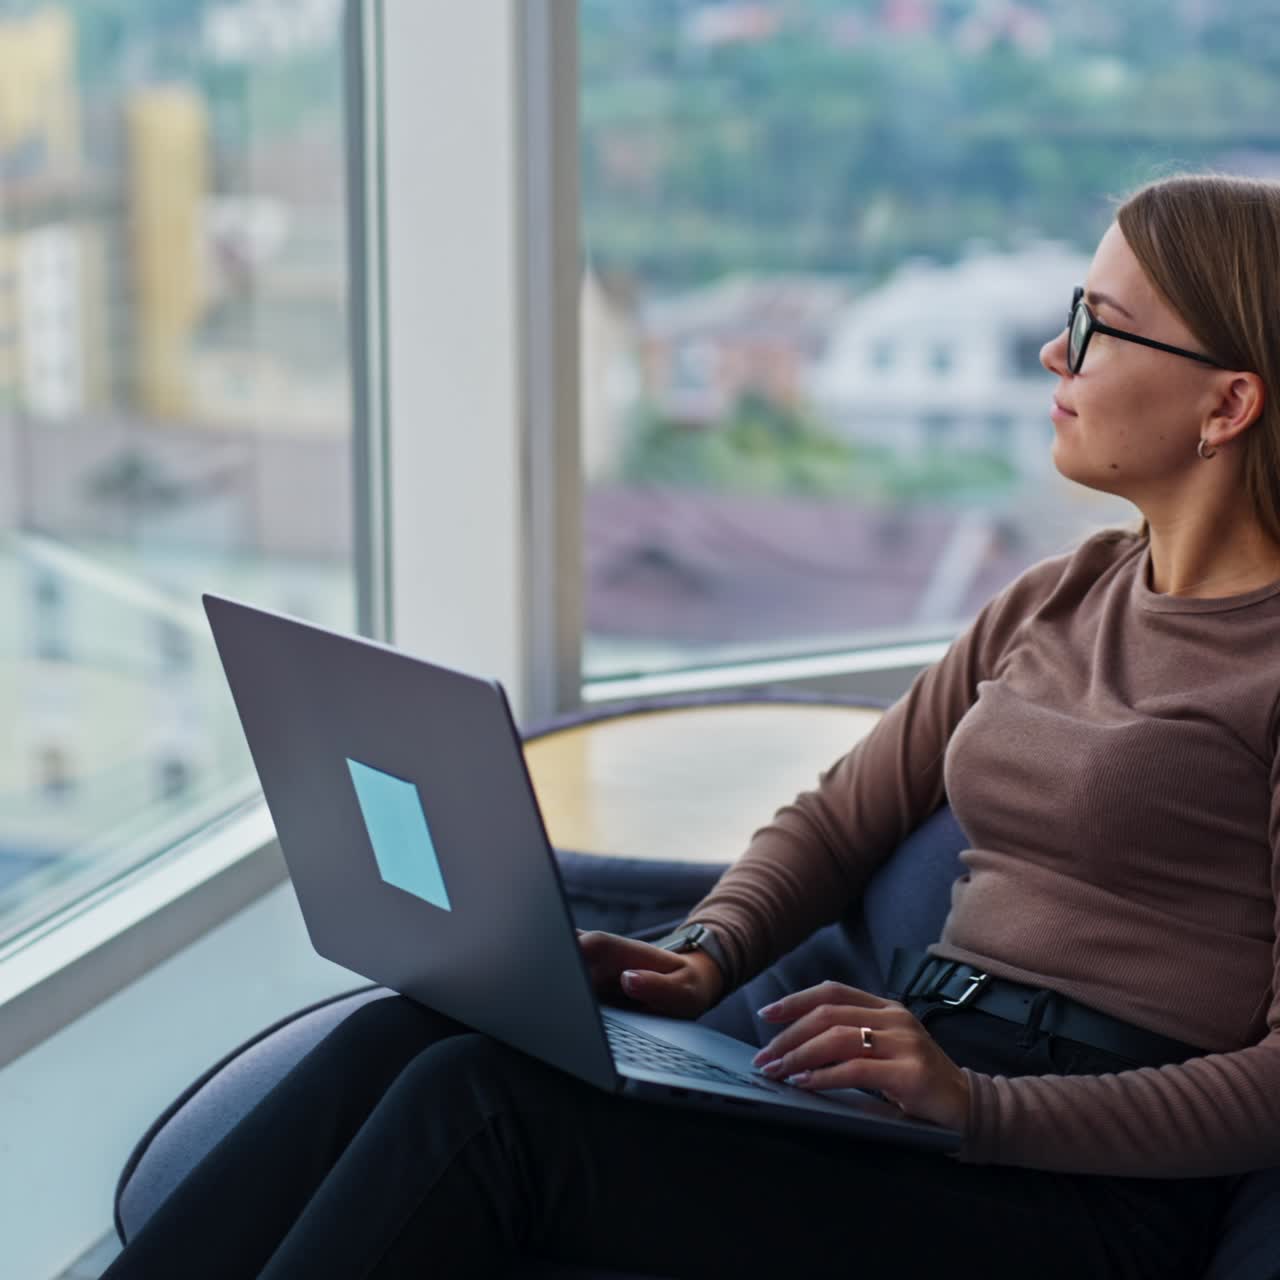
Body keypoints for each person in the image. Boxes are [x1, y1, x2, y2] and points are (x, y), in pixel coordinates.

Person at [102, 172, 1280, 1280]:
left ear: (1226, 403)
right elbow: (837, 816)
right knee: (400, 1039)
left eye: (1094, 328)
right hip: (910, 1073)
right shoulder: (1059, 591)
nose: (1049, 352)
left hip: (1078, 1180)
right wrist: (708, 947)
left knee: (486, 1112)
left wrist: (980, 1107)